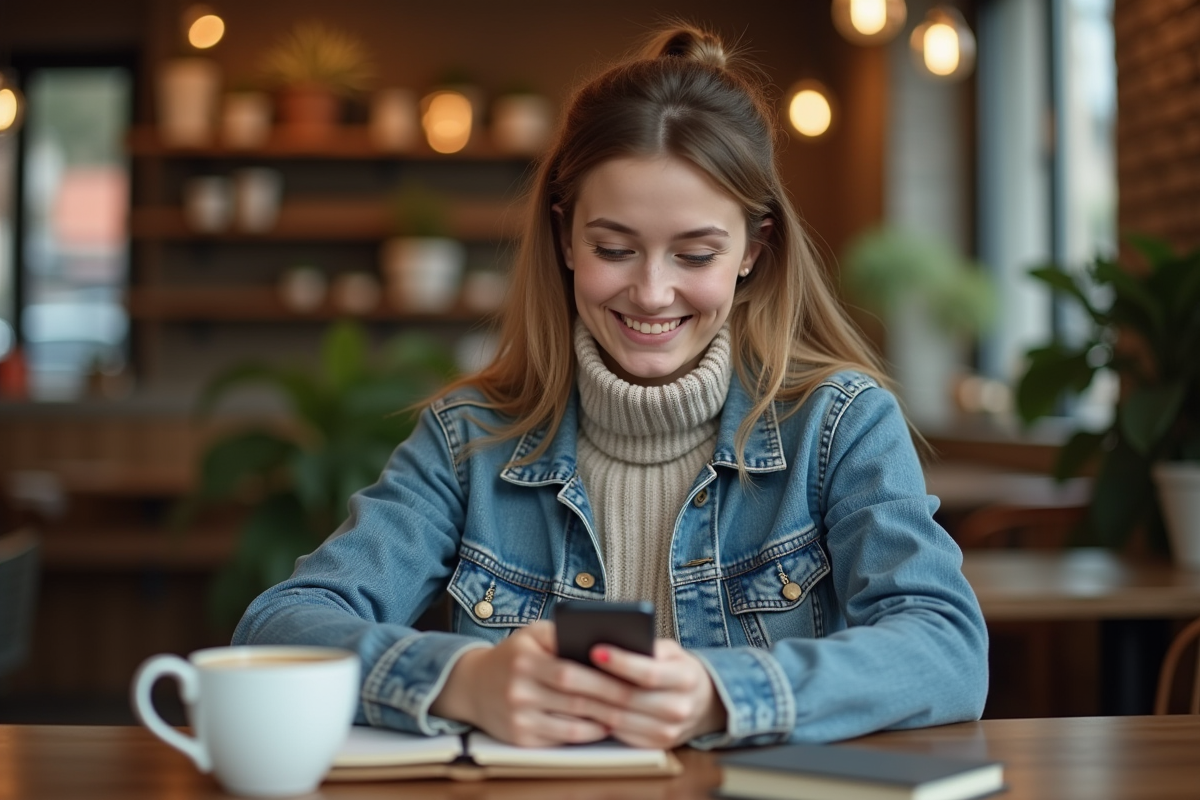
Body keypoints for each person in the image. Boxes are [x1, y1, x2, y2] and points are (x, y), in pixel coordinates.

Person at [232, 23, 988, 750]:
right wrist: (461, 679)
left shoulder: (839, 425)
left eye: (695, 254)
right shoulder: (468, 440)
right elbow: (283, 625)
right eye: (615, 248)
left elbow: (946, 649)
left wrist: (725, 694)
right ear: (565, 238)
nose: (652, 293)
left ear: (754, 251)